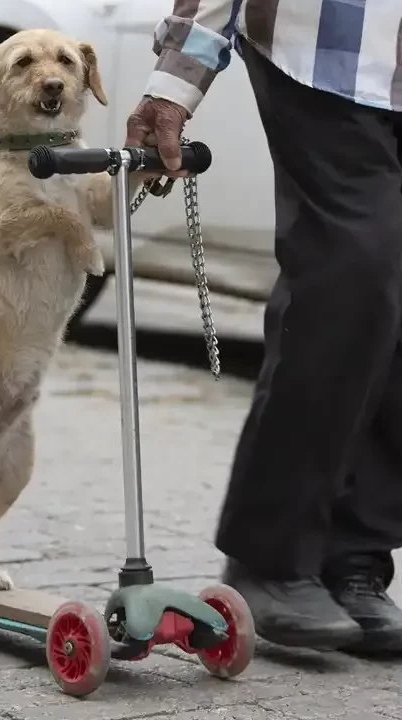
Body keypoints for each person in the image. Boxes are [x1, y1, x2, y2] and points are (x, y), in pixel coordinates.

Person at [125, 0, 402, 654]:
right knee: (351, 275)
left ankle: (353, 553)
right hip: (324, 53)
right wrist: (174, 83)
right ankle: (269, 557)